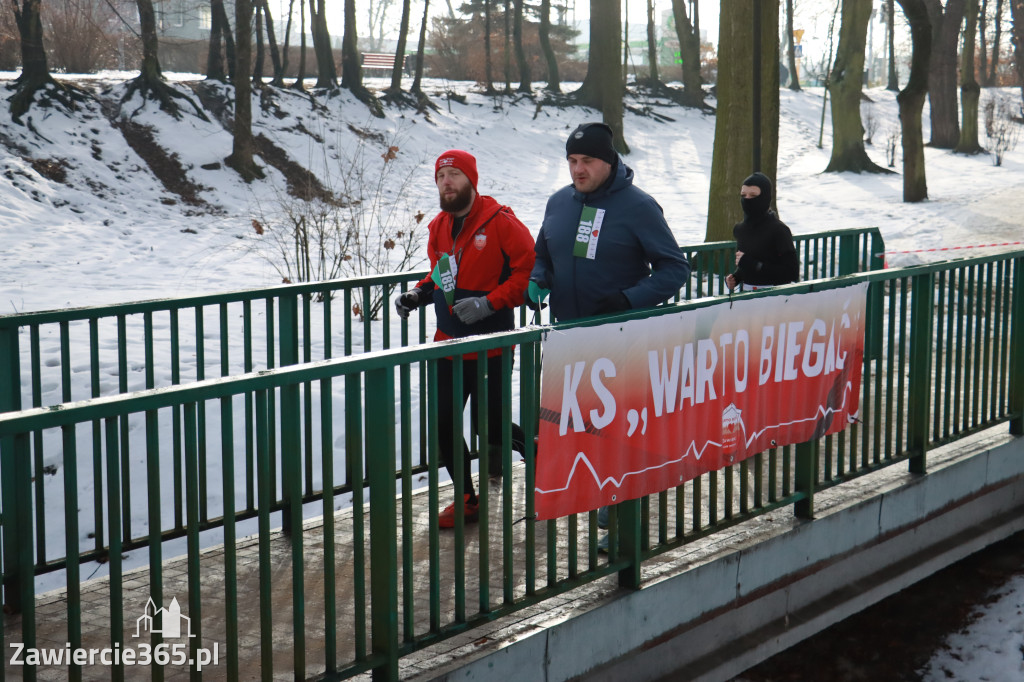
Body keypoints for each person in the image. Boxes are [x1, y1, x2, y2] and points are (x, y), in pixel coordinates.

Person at [528, 122, 692, 550]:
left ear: (609, 161)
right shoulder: (558, 203)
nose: (577, 170)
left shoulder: (638, 207)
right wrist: (539, 278)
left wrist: (628, 299)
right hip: (568, 338)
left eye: (586, 161)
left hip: (623, 340)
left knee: (620, 432)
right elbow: (542, 255)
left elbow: (676, 268)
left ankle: (622, 528)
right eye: (571, 161)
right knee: (577, 429)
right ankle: (597, 493)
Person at [393, 150, 535, 529]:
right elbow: (442, 273)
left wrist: (490, 303)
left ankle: (539, 460)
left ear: (471, 179)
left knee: (491, 428)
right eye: (441, 176)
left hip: (491, 347)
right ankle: (467, 499)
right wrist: (419, 295)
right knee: (441, 424)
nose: (447, 182)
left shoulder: (501, 222)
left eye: (454, 174)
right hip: (448, 344)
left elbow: (529, 273)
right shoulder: (439, 225)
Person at [725, 172, 800, 291]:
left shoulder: (779, 230)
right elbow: (748, 264)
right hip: (745, 297)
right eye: (743, 195)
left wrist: (754, 265)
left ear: (765, 197)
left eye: (753, 195)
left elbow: (791, 273)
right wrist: (736, 278)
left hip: (775, 298)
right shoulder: (740, 229)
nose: (747, 199)